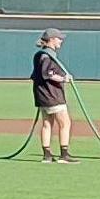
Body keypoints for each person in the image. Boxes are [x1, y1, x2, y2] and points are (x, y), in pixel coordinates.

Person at [27, 31, 75, 161]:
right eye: (59, 39)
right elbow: (48, 74)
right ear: (52, 39)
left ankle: (47, 155)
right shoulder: (47, 56)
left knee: (47, 123)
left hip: (42, 95)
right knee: (65, 123)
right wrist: (63, 79)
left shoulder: (40, 55)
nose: (61, 41)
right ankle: (64, 155)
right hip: (52, 95)